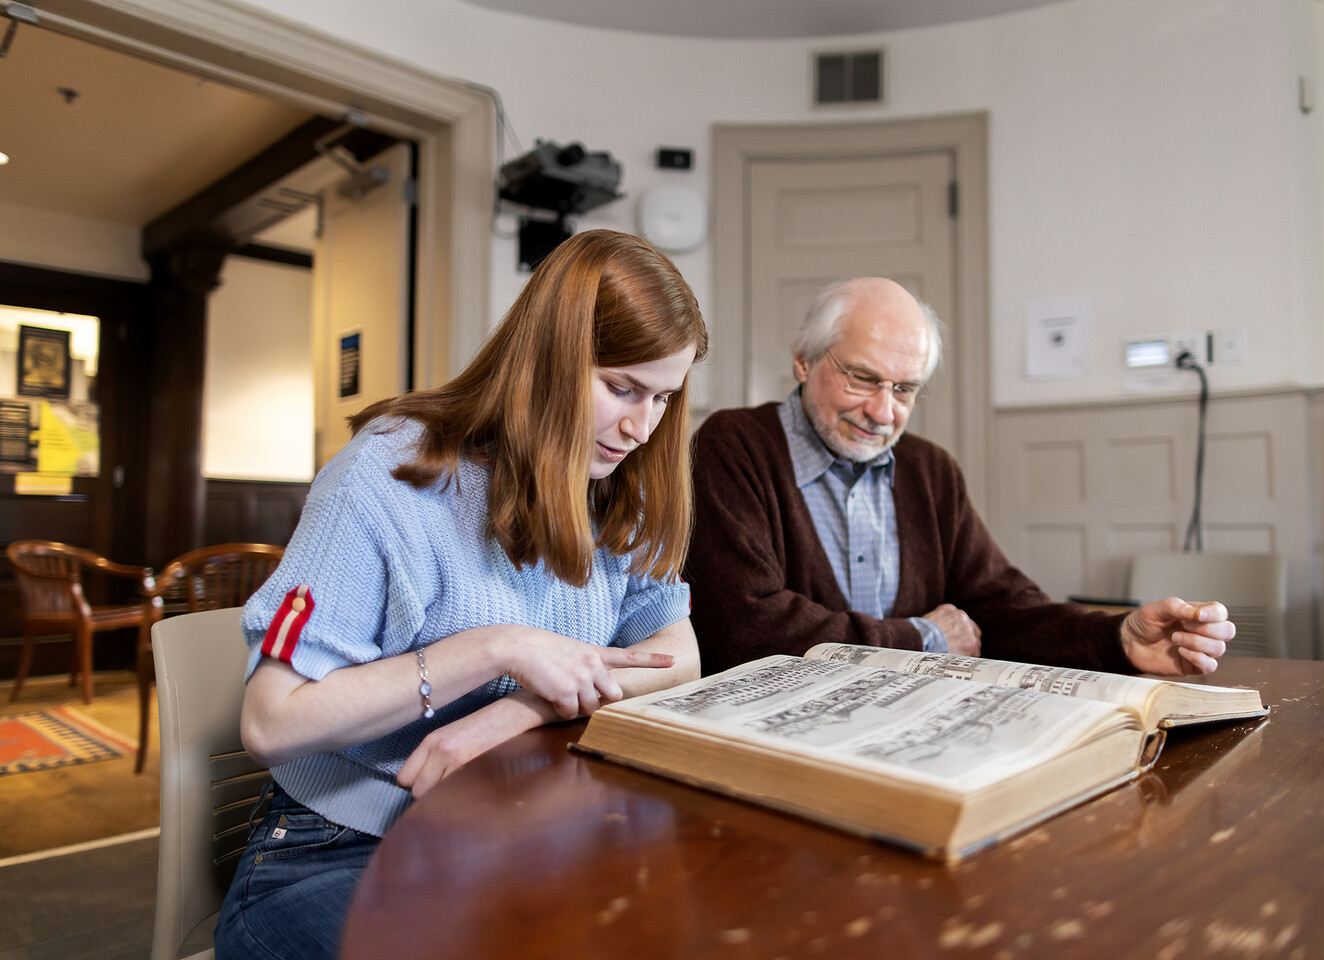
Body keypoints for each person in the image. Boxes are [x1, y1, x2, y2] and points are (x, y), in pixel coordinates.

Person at [214, 229, 709, 960]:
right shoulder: (388, 476)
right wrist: (495, 648)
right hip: (341, 849)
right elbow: (272, 722)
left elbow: (677, 657)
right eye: (622, 388)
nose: (642, 427)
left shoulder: (614, 484)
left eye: (663, 396)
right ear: (549, 359)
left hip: (524, 828)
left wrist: (523, 706)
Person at [684, 276, 1234, 676]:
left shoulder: (930, 470)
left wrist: (1117, 636)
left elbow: (1001, 607)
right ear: (804, 361)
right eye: (862, 379)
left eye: (904, 390)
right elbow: (744, 627)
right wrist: (921, 637)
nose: (882, 412)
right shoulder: (734, 446)